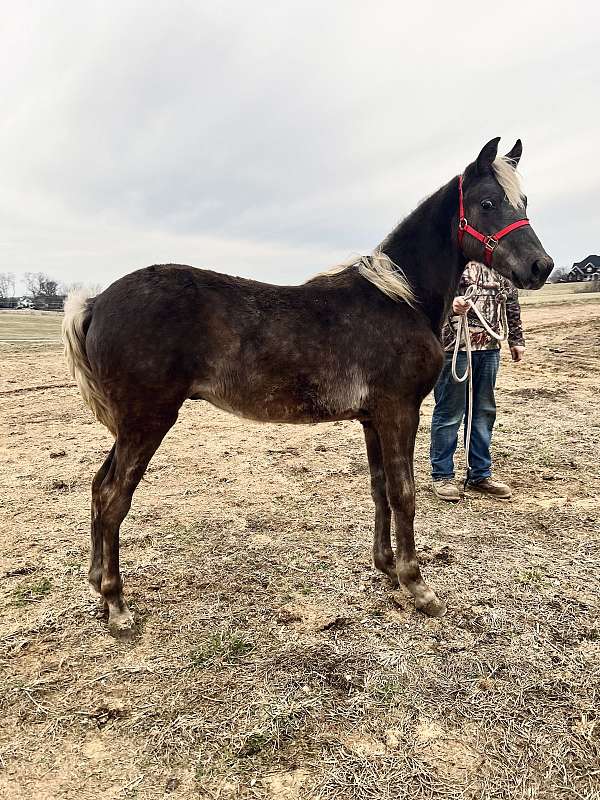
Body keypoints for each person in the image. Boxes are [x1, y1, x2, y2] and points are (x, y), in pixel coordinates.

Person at [430, 260, 525, 501]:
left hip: (489, 348)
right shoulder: (452, 261)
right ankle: (442, 475)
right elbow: (429, 295)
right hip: (454, 347)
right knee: (450, 412)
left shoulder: (500, 264)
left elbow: (510, 299)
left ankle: (480, 474)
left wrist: (516, 339)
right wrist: (450, 305)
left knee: (483, 411)